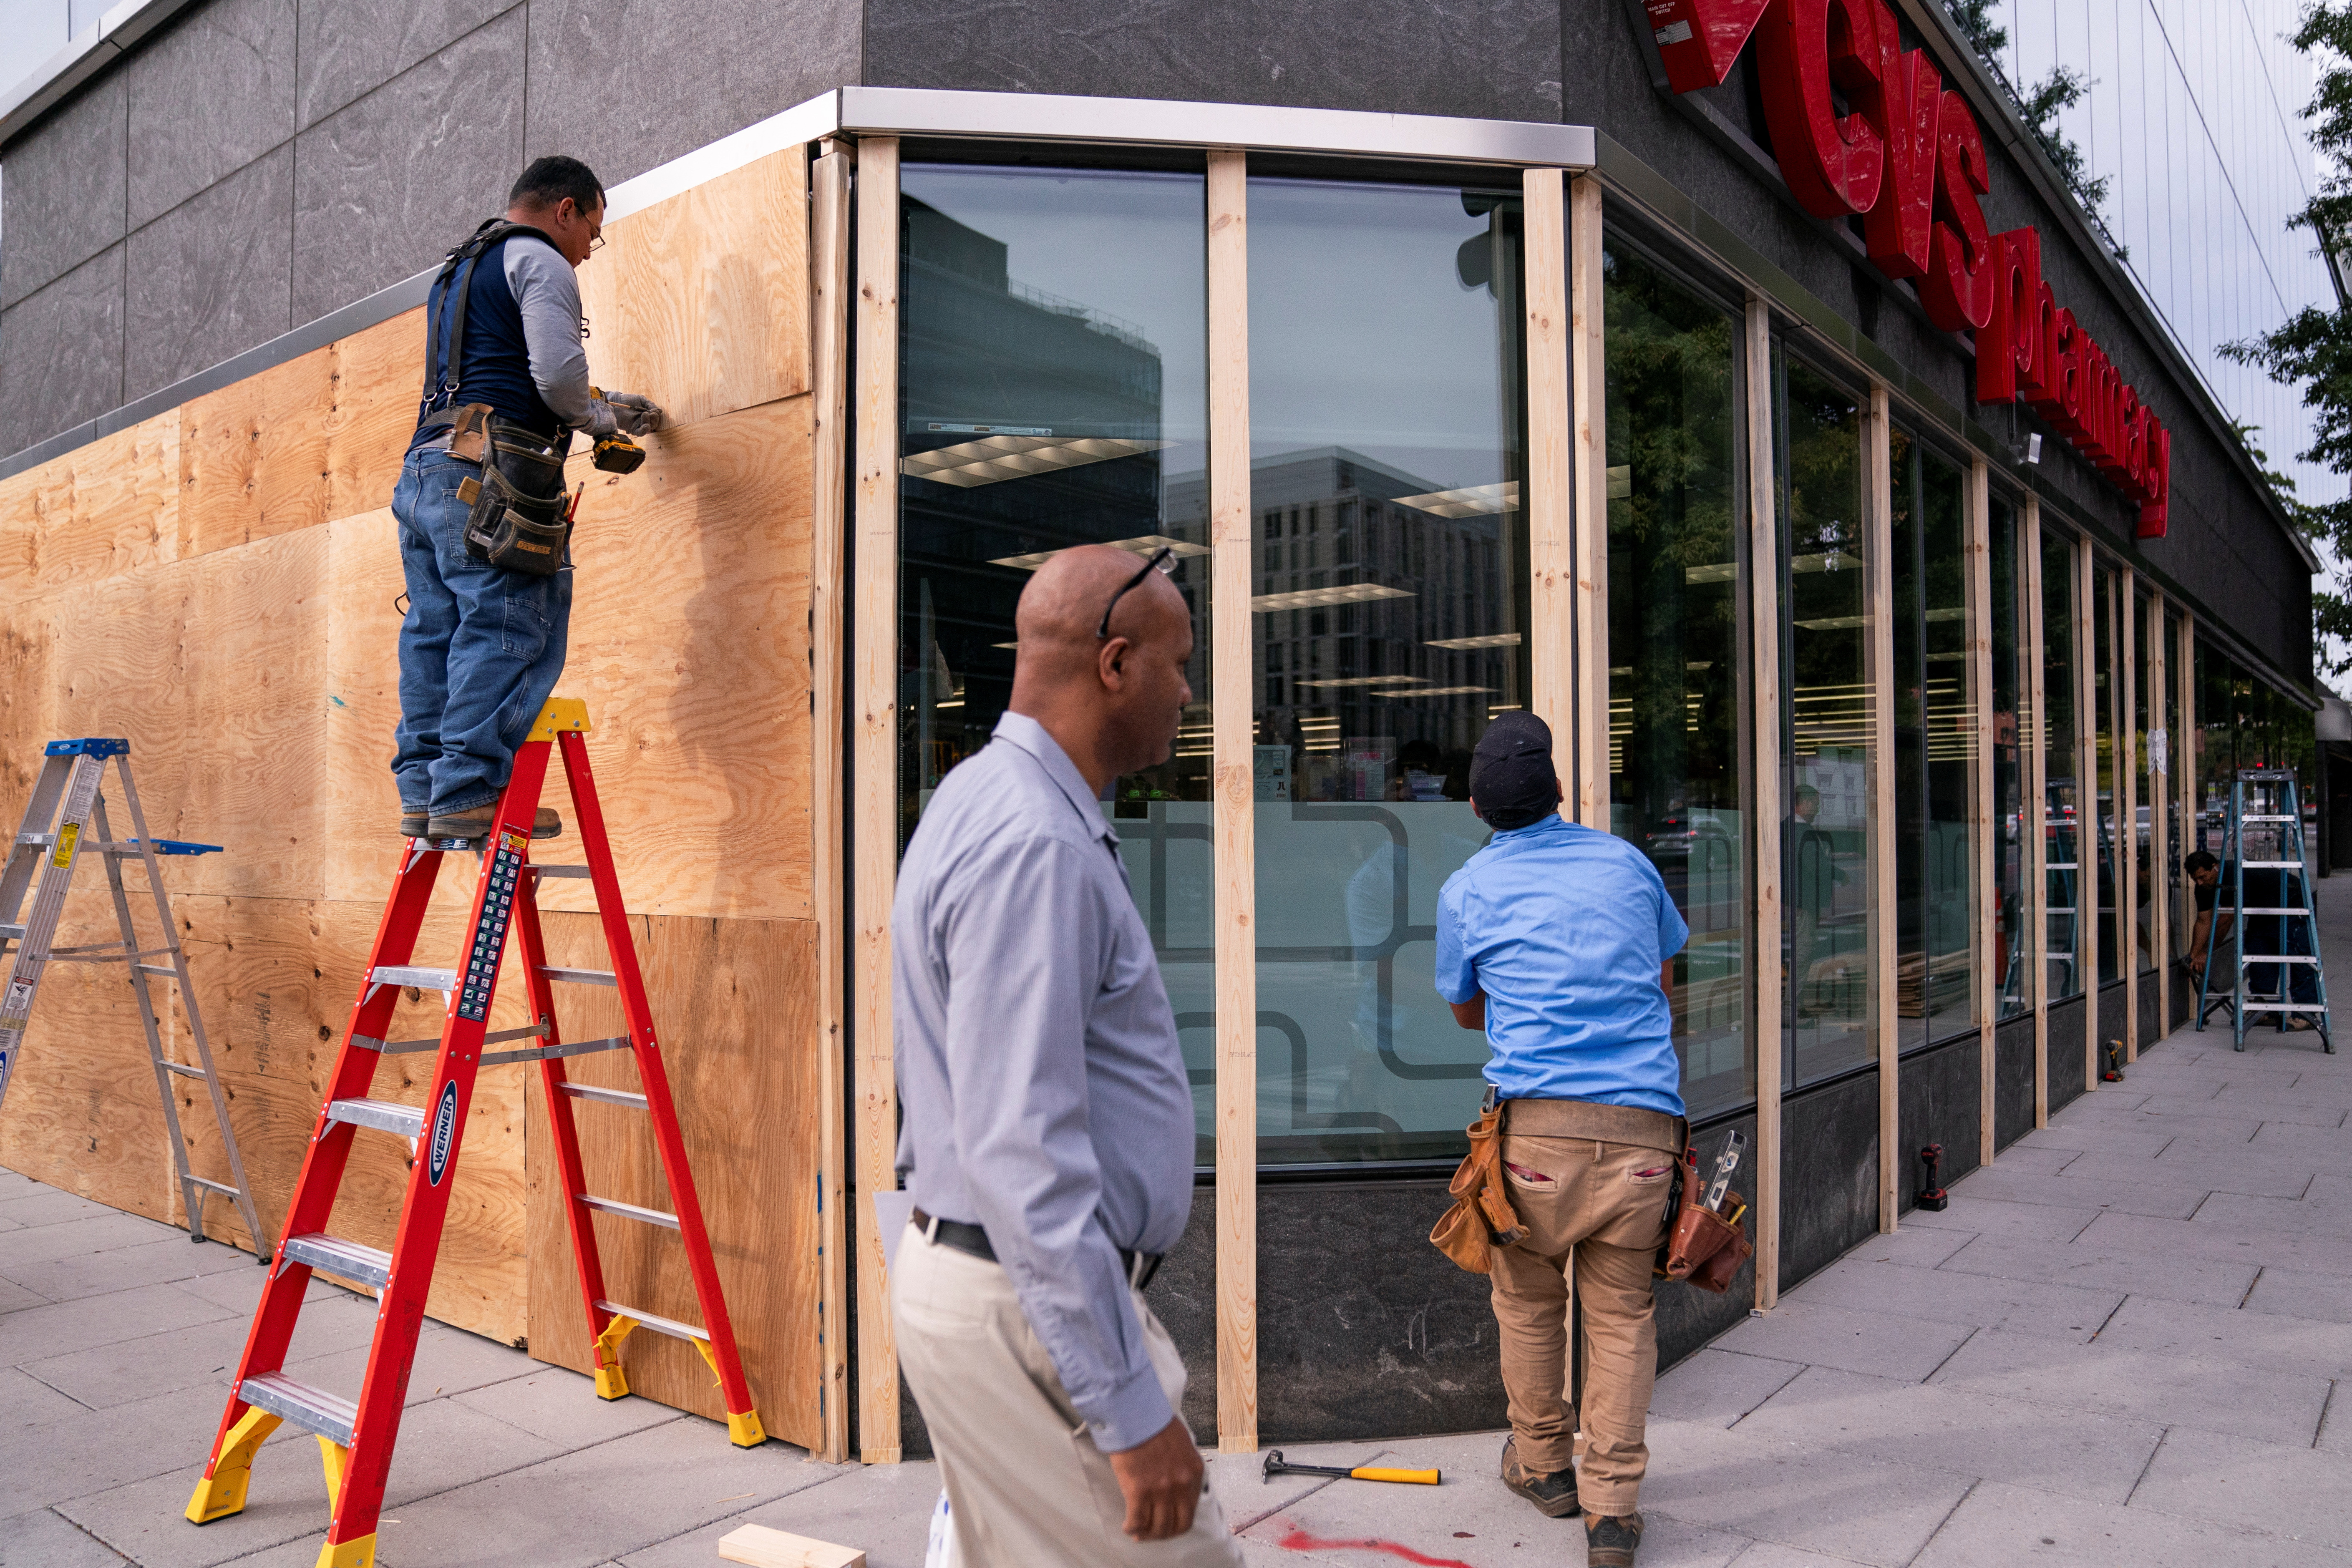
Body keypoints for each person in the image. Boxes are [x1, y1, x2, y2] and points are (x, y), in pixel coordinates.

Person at [889, 544, 1240, 1568]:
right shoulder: (1033, 844)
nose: (1188, 693)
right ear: (1116, 664)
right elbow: (1024, 1154)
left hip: (999, 1286)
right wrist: (1129, 1412)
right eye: (1178, 666)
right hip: (1023, 1306)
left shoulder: (984, 796)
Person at [1433, 711, 1690, 1568]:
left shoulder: (1467, 888)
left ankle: (1543, 1466)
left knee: (1529, 1303)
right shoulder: (1626, 863)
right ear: (1561, 797)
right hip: (1642, 1130)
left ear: (1474, 804)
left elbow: (1466, 1007)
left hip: (1533, 1136)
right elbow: (1659, 976)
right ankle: (1611, 1508)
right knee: (1621, 1317)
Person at [391, 155, 665, 841]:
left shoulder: (459, 270)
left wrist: (608, 408)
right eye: (592, 231)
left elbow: (502, 368)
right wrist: (597, 421)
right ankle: (472, 788)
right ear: (565, 208)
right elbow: (555, 372)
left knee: (434, 630)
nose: (588, 249)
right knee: (510, 623)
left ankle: (426, 791)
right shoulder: (540, 260)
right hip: (494, 475)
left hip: (429, 468)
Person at [1785, 783, 1846, 1009]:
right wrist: (1840, 875)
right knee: (1803, 951)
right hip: (1803, 902)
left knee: (1798, 950)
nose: (1818, 810)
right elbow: (1816, 866)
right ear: (1807, 803)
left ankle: (1790, 1002)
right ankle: (1793, 1006)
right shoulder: (1804, 834)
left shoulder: (1783, 828)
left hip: (1792, 901)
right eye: (1816, 804)